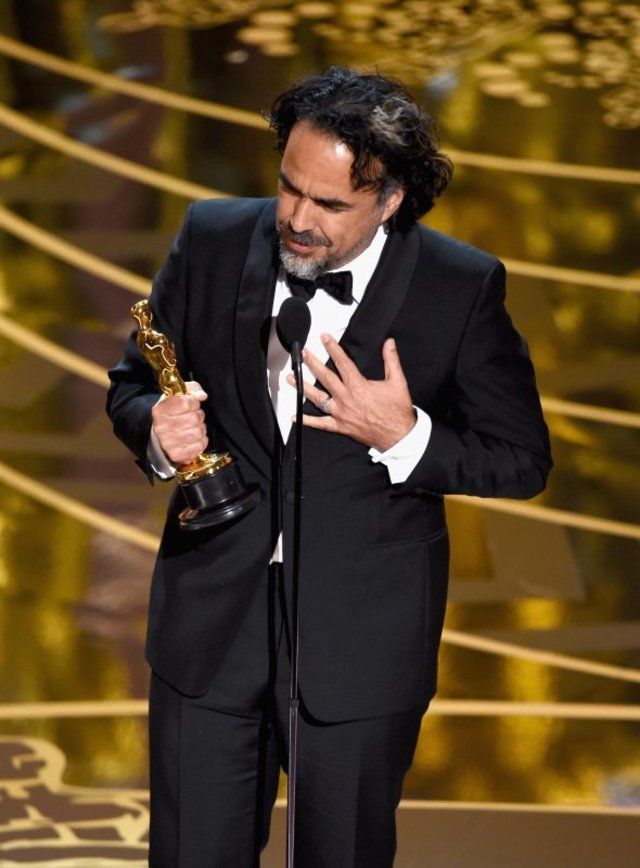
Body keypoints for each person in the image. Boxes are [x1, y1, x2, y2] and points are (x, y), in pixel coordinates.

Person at [107, 66, 552, 867]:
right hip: (210, 627)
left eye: (331, 205)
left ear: (390, 200)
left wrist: (405, 434)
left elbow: (521, 459)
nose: (298, 219)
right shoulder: (212, 238)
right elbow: (135, 383)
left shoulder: (459, 287)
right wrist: (156, 431)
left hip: (362, 643)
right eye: (289, 188)